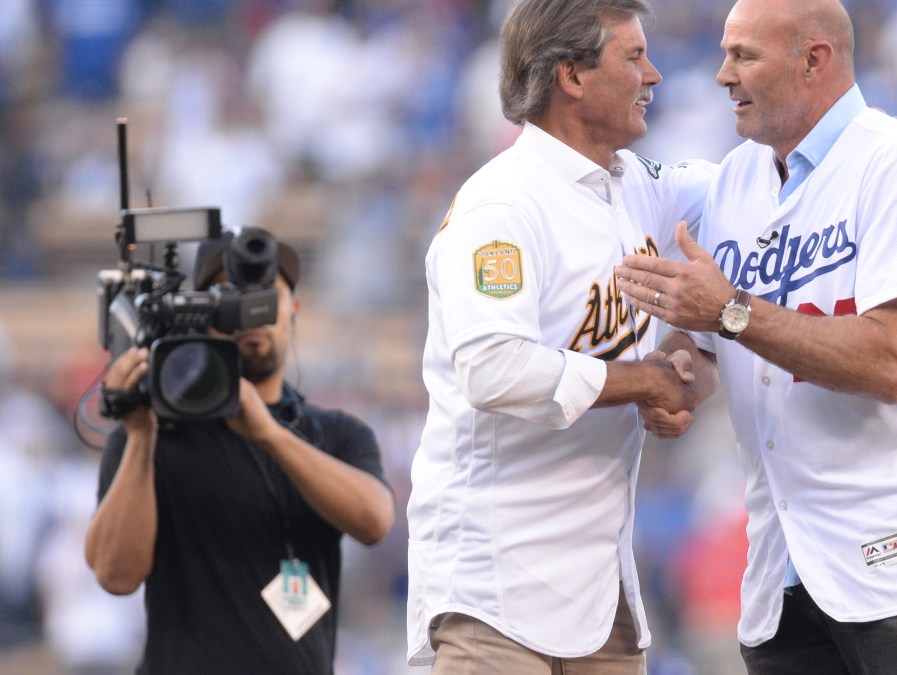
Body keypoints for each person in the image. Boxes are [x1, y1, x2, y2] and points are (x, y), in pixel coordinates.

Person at [615, 0, 897, 672]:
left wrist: (730, 311)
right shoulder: (736, 178)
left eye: (744, 55)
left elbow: (892, 360)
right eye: (724, 53)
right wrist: (672, 377)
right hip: (785, 575)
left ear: (813, 61)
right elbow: (711, 347)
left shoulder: (894, 162)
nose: (722, 75)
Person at [405, 0, 715, 671]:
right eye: (633, 57)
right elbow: (493, 368)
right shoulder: (502, 205)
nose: (654, 74)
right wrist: (647, 380)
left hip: (601, 590)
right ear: (571, 75)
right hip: (495, 590)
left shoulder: (637, 187)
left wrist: (852, 155)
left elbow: (751, 196)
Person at [85, 229, 395, 674]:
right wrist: (139, 437)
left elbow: (374, 521)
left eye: (266, 295)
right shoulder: (156, 433)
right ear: (203, 313)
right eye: (229, 295)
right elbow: (116, 576)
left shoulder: (334, 434)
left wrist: (269, 434)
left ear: (294, 310)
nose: (251, 312)